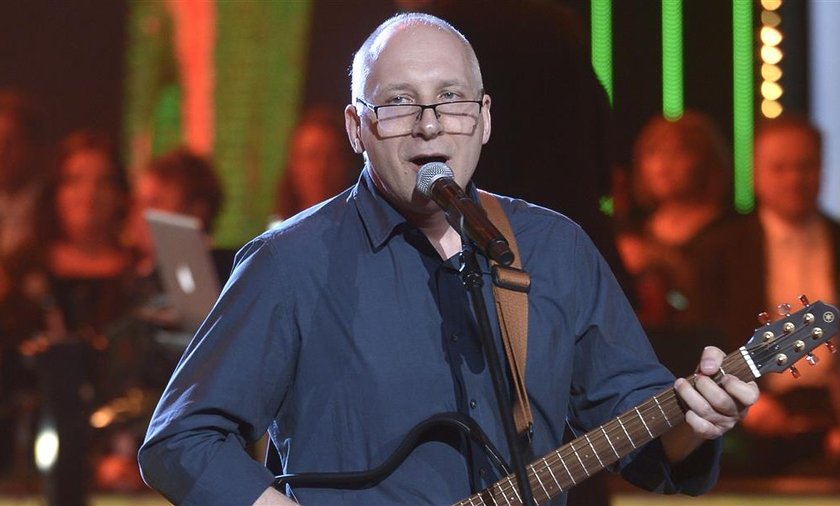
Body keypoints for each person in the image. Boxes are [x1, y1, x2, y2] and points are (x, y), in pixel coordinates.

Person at [139, 14, 758, 505]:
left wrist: (697, 421)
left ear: (483, 119)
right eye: (398, 102)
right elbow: (181, 440)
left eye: (451, 98)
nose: (429, 125)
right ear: (357, 128)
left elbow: (645, 437)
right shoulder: (290, 262)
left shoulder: (554, 249)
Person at [701, 115, 840, 475]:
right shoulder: (722, 248)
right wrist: (743, 400)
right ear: (756, 173)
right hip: (748, 423)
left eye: (805, 166)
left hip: (831, 419)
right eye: (780, 168)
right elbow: (702, 339)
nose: (794, 179)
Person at [273, 105, 357, 221]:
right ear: (294, 163)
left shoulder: (363, 224)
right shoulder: (276, 227)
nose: (321, 169)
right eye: (311, 157)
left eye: (330, 157)